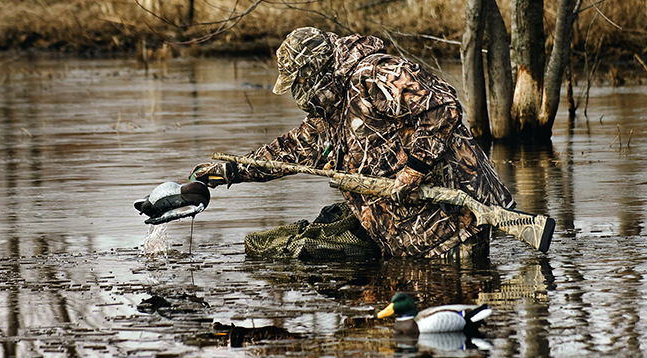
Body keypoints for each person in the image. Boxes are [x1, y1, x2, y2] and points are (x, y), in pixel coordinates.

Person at [189, 27, 514, 258]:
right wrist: (229, 171)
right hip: (414, 241)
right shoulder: (331, 109)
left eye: (296, 82)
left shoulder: (375, 74)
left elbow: (442, 107)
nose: (294, 92)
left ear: (311, 72)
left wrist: (415, 168)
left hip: (455, 229)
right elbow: (291, 150)